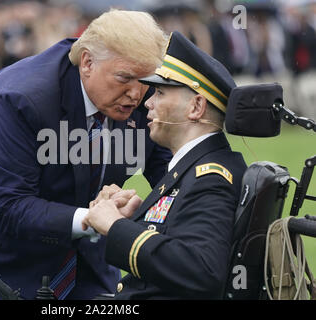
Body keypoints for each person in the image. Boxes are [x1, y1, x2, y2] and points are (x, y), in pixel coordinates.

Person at [0, 9, 172, 300]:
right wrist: (92, 218)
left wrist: (160, 218)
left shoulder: (145, 94)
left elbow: (170, 176)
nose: (137, 94)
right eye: (125, 78)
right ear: (87, 62)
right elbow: (8, 205)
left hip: (80, 251)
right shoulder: (22, 98)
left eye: (147, 80)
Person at [83, 31, 248, 299]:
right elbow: (178, 241)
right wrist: (133, 219)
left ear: (196, 107)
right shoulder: (197, 165)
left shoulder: (211, 176)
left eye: (159, 92)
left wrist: (116, 226)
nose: (147, 102)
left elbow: (201, 270)